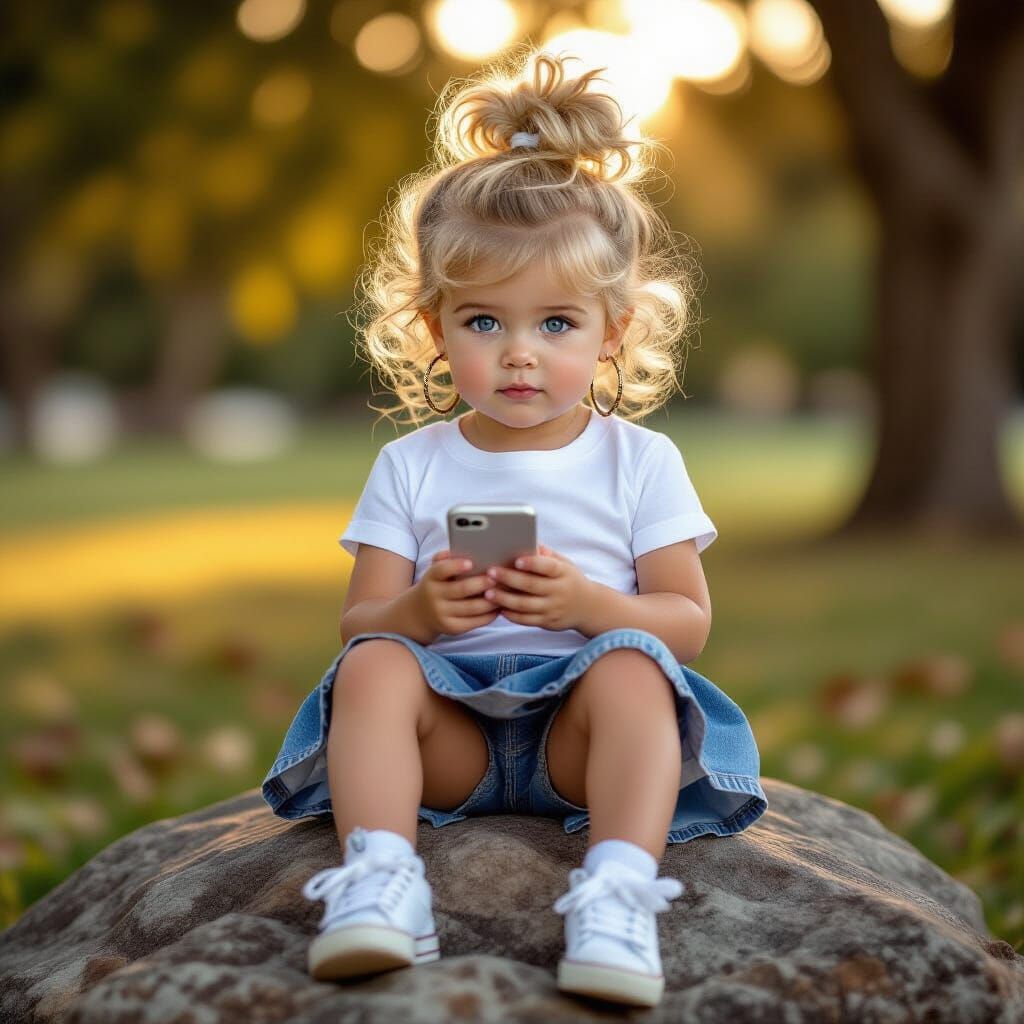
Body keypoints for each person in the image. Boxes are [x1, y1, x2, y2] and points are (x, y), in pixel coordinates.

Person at [261, 48, 768, 1009]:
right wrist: (418, 609)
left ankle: (616, 891)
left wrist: (588, 604)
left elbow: (687, 625)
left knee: (633, 667)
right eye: (485, 323)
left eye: (558, 325)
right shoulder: (411, 463)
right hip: (447, 738)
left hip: (580, 744)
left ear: (613, 330)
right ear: (434, 325)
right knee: (372, 666)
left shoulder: (639, 462)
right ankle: (381, 880)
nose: (521, 354)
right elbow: (359, 623)